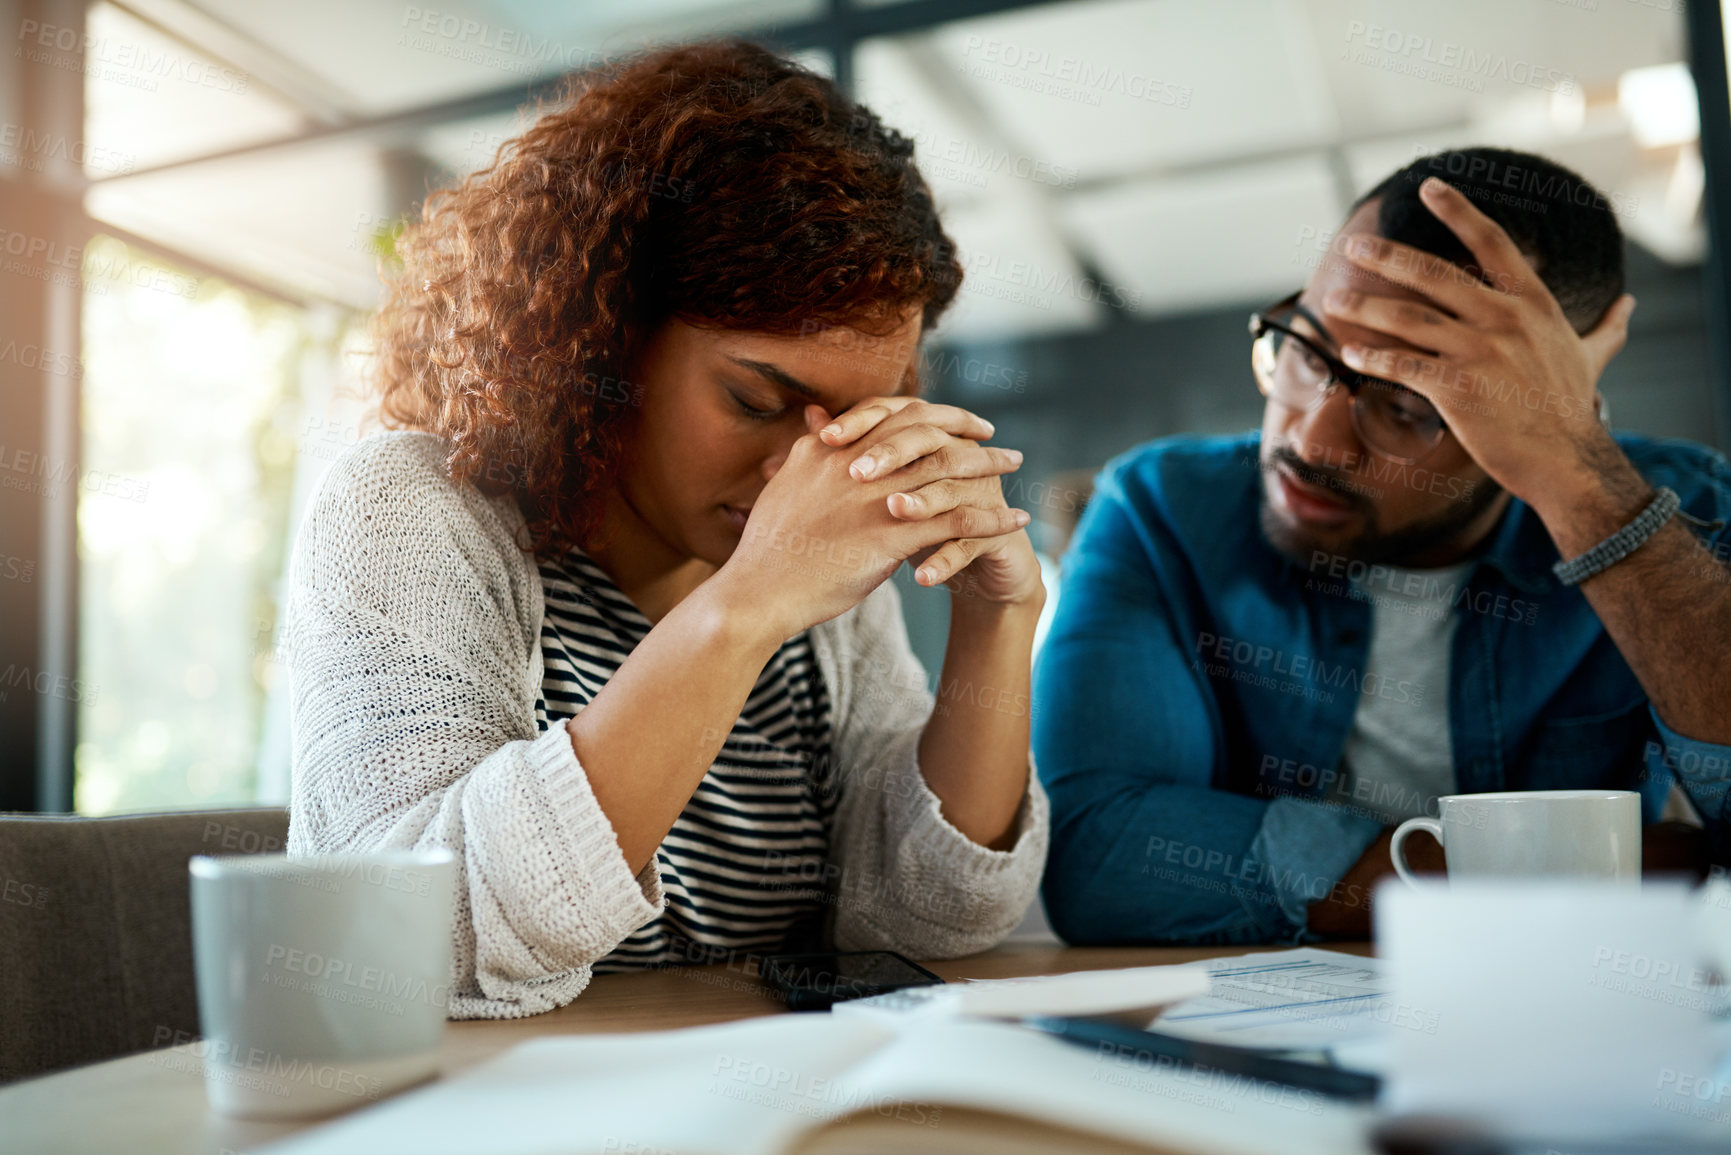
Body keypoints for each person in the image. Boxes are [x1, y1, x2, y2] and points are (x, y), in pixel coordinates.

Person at [285, 41, 1048, 1017]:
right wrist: (742, 611)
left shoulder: (827, 599)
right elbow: (403, 939)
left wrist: (999, 620)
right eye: (755, 397)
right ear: (605, 332)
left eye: (858, 424)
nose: (801, 478)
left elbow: (923, 925)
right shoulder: (415, 510)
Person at [1035, 146, 1731, 945]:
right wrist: (1633, 865)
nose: (1314, 438)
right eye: (1306, 349)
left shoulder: (1680, 514)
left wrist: (1581, 481)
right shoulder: (1162, 510)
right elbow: (1099, 858)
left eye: (1405, 402)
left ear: (1547, 406)